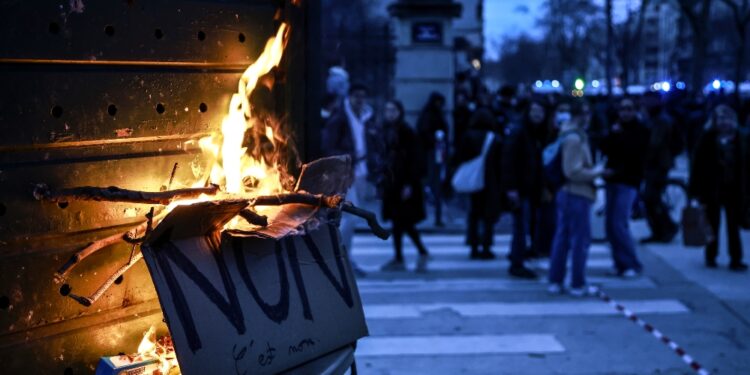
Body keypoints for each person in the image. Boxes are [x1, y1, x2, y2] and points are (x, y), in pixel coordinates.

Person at [547, 102, 609, 295]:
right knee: (579, 240)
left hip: (568, 193)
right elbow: (572, 171)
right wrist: (597, 172)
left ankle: (556, 280)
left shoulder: (568, 134)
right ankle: (577, 283)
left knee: (563, 238)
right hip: (576, 192)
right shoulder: (575, 138)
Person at [321, 83, 379, 276]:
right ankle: (342, 257)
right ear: (350, 97)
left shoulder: (366, 117)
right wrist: (347, 159)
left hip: (361, 170)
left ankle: (345, 256)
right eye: (357, 96)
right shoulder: (340, 118)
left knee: (351, 217)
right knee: (351, 217)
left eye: (363, 96)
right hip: (347, 172)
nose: (360, 100)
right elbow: (328, 146)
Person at [689, 105, 749, 271]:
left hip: (735, 189)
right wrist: (694, 191)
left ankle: (736, 258)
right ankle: (711, 256)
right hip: (711, 188)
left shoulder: (741, 139)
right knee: (712, 224)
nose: (724, 123)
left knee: (733, 226)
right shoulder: (707, 138)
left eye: (727, 119)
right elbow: (697, 166)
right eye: (721, 119)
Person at [600, 98, 651, 278]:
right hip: (613, 179)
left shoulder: (641, 130)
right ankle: (619, 262)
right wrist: (612, 135)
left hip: (628, 180)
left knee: (619, 223)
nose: (625, 113)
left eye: (629, 109)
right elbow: (605, 148)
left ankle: (631, 263)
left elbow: (634, 154)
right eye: (622, 109)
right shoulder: (615, 128)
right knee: (610, 225)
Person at [378, 100, 430, 271]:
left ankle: (403, 257)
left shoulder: (407, 132)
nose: (390, 113)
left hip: (404, 183)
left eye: (393, 110)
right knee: (400, 221)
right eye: (387, 110)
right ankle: (413, 253)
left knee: (401, 221)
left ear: (400, 111)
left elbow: (415, 159)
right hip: (392, 183)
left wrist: (409, 183)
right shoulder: (385, 130)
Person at [502, 100, 551, 277]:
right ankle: (517, 262)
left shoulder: (534, 134)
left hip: (529, 187)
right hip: (521, 188)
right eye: (534, 111)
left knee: (524, 225)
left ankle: (519, 256)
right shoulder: (521, 132)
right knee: (520, 226)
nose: (537, 115)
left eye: (541, 112)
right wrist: (511, 188)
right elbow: (509, 161)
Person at [455, 108, 504, 260]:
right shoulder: (494, 138)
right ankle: (486, 246)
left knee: (474, 214)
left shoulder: (468, 136)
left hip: (473, 179)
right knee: (488, 215)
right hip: (490, 180)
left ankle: (474, 245)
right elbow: (500, 162)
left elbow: (460, 156)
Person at [641, 93, 683, 243]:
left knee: (651, 198)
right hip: (658, 163)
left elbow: (655, 143)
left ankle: (666, 228)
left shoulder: (661, 120)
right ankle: (660, 230)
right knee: (652, 198)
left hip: (658, 164)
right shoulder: (655, 118)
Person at [417, 92, 449, 227]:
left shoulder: (429, 114)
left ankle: (436, 217)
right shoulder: (431, 115)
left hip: (434, 153)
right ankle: (435, 217)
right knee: (434, 185)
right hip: (431, 154)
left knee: (434, 185)